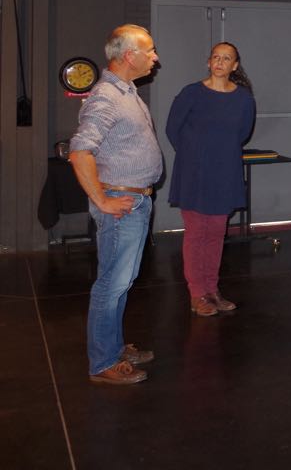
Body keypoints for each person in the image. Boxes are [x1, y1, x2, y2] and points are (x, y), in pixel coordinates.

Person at [68, 24, 163, 385]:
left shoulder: (127, 92)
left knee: (122, 281)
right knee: (111, 284)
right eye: (150, 50)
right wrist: (102, 200)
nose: (156, 57)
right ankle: (103, 362)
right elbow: (80, 152)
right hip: (122, 204)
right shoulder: (106, 96)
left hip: (136, 202)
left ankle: (114, 345)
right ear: (129, 56)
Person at [165, 41, 256, 318]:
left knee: (216, 233)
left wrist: (217, 154)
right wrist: (197, 155)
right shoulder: (191, 94)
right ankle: (197, 293)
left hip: (224, 172)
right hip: (193, 172)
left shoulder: (243, 99)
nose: (220, 61)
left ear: (234, 65)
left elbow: (242, 133)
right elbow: (173, 130)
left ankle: (212, 290)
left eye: (226, 58)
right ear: (208, 62)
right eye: (216, 57)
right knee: (196, 232)